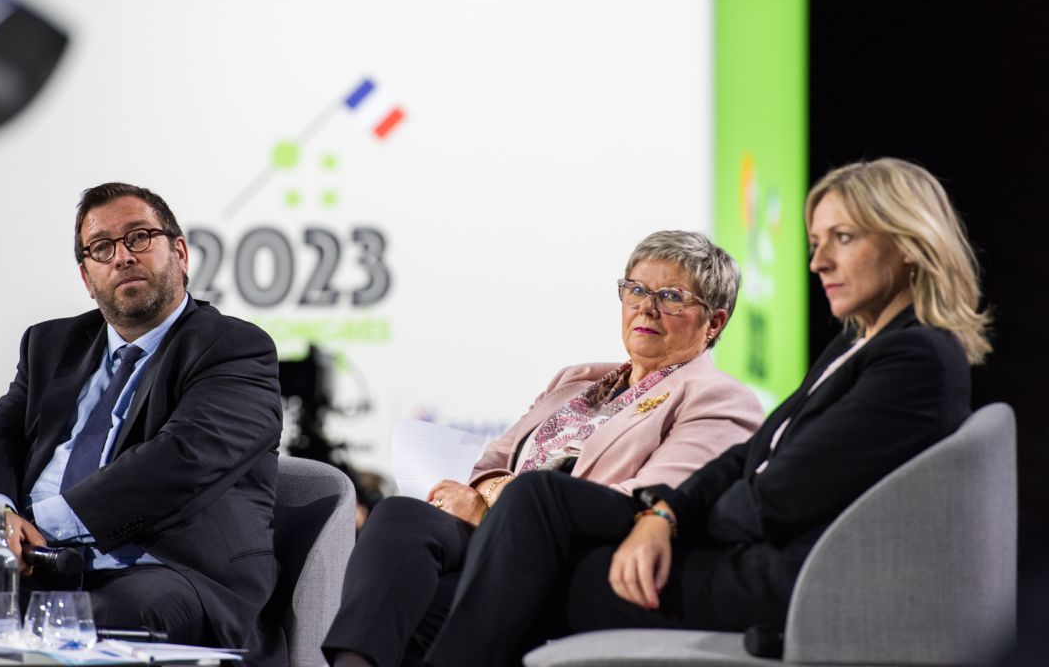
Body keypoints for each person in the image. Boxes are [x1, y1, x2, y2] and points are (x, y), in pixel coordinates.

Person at [423, 157, 992, 667]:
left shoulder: (916, 358)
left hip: (781, 578)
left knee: (538, 553)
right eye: (816, 241)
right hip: (742, 547)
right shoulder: (855, 344)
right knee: (536, 503)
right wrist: (663, 514)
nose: (818, 261)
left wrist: (672, 524)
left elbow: (779, 495)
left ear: (910, 243)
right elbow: (751, 455)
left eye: (841, 238)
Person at [322, 231, 764, 667]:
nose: (646, 307)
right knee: (400, 515)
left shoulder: (715, 396)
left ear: (715, 322)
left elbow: (656, 496)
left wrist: (497, 509)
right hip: (491, 534)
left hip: (563, 558)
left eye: (670, 296)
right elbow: (494, 461)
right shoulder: (579, 378)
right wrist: (487, 501)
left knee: (416, 602)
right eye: (635, 289)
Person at [0, 183, 286, 664]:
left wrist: (32, 526)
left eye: (139, 237)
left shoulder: (233, 348)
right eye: (102, 247)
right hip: (38, 564)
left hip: (167, 572)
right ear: (86, 275)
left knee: (111, 617)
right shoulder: (51, 346)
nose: (122, 257)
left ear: (180, 252)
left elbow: (184, 461)